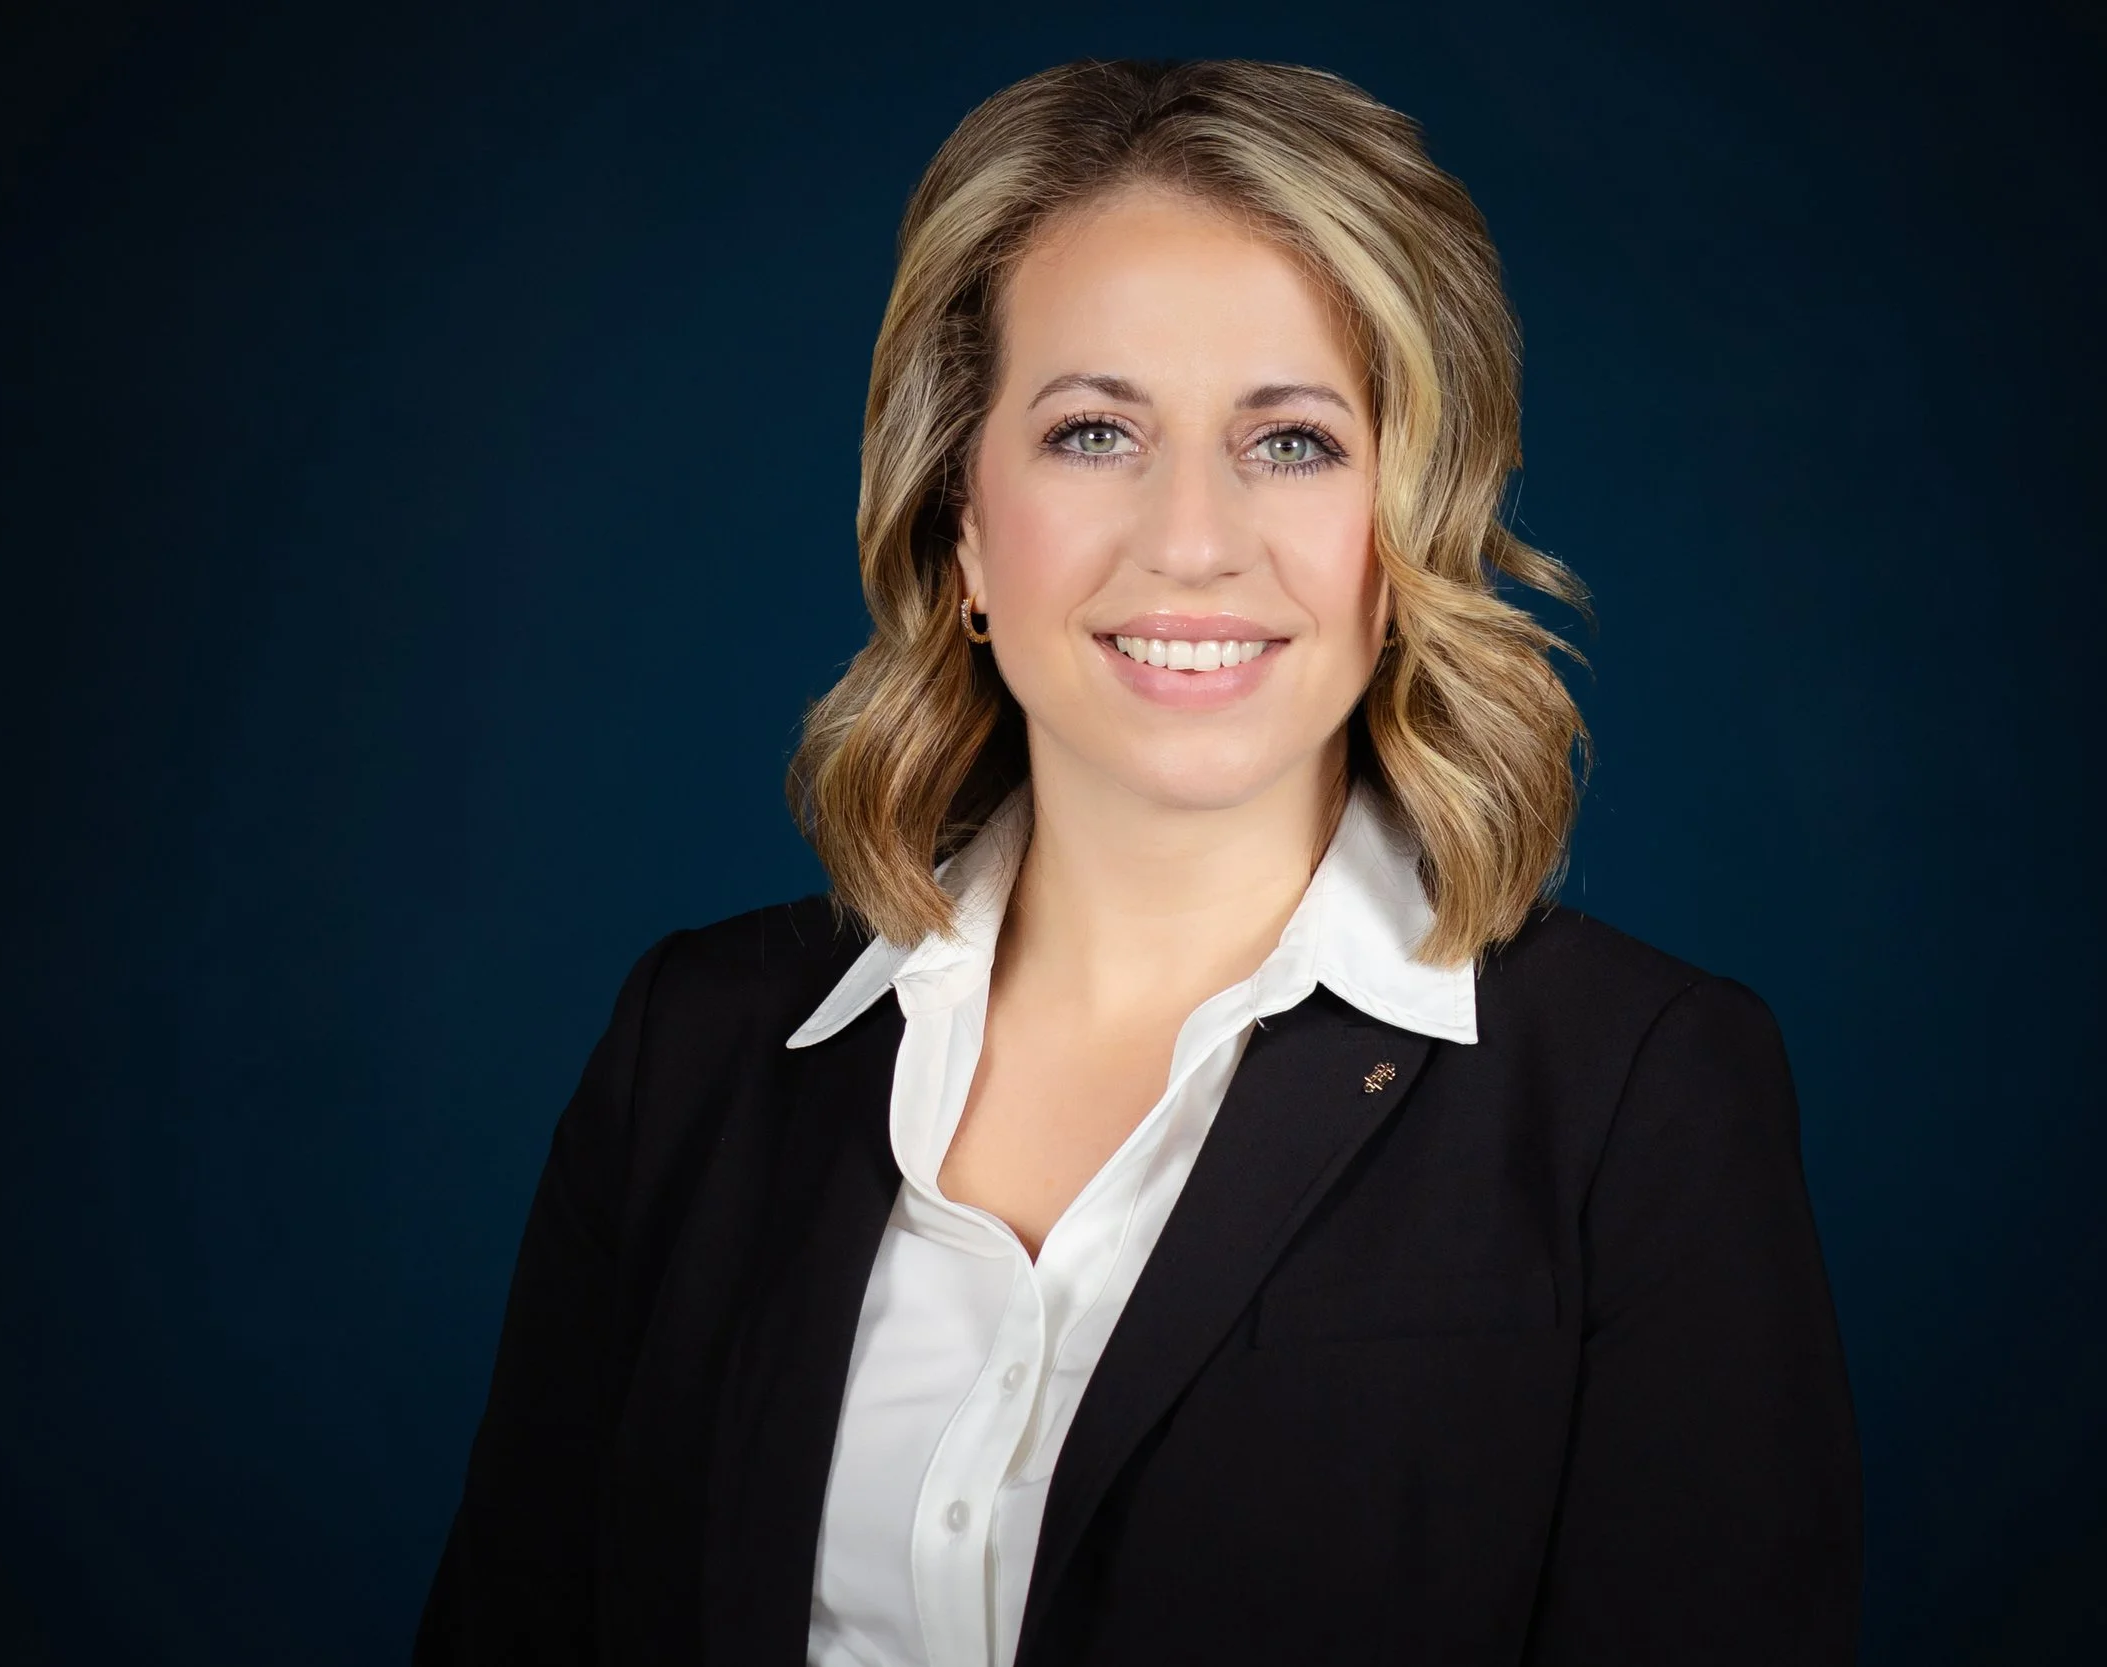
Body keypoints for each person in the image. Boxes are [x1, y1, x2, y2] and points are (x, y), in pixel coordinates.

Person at [415, 57, 1860, 1667]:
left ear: (1409, 528)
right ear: (963, 522)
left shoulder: (1637, 1103)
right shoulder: (689, 1053)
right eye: (1094, 431)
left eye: (1293, 442)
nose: (1191, 539)